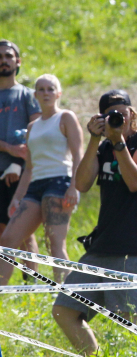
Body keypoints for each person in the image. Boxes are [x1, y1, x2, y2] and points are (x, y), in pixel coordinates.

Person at [53, 90, 137, 356]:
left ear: (131, 114)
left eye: (121, 113)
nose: (117, 119)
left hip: (135, 245)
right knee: (65, 309)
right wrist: (95, 138)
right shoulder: (102, 147)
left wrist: (119, 143)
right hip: (102, 245)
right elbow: (81, 184)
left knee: (133, 318)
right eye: (110, 115)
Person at [0, 75, 83, 284]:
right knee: (8, 240)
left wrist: (75, 187)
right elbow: (29, 167)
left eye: (50, 89)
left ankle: (68, 299)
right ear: (35, 95)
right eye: (41, 89)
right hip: (35, 187)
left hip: (60, 183)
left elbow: (78, 154)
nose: (46, 93)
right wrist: (17, 197)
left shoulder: (66, 118)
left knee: (55, 244)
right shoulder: (32, 127)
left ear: (58, 93)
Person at [0, 39, 42, 272]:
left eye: (8, 55)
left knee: (25, 230)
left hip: (21, 172)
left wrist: (17, 162)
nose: (4, 61)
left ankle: (32, 283)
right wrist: (8, 148)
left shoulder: (27, 95)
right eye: (0, 57)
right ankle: (4, 284)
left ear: (18, 61)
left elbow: (37, 130)